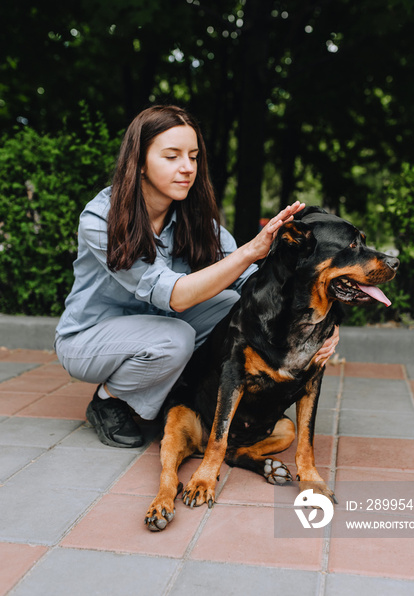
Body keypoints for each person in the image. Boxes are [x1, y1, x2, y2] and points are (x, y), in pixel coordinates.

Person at [55, 105, 339, 449]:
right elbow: (174, 295)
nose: (187, 168)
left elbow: (251, 285)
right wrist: (250, 250)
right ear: (140, 162)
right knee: (174, 339)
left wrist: (316, 324)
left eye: (193, 156)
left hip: (159, 328)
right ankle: (108, 400)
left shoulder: (196, 220)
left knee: (236, 305)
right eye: (172, 156)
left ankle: (192, 394)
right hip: (89, 340)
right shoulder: (101, 219)